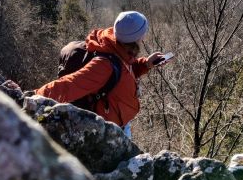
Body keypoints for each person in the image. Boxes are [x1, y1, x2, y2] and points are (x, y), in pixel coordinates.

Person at [36, 11, 166, 133]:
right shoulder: (104, 65)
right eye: (143, 34)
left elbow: (123, 71)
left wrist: (146, 64)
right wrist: (32, 98)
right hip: (110, 129)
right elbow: (68, 85)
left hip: (121, 122)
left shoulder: (118, 46)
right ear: (136, 38)